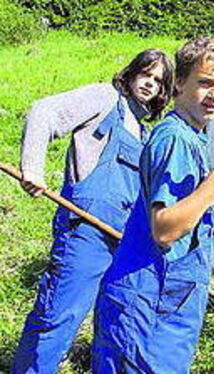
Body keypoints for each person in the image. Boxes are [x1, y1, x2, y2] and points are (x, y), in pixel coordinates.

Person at [91, 37, 214, 373]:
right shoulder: (174, 138)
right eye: (204, 83)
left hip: (170, 306)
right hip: (145, 307)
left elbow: (190, 233)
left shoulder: (197, 137)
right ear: (178, 83)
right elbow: (164, 230)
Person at [12, 49, 174, 374]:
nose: (150, 84)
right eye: (146, 74)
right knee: (58, 316)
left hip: (120, 240)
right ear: (130, 74)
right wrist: (32, 168)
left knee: (112, 325)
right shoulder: (104, 99)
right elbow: (43, 111)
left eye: (158, 81)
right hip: (84, 231)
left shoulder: (143, 132)